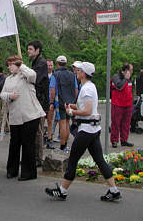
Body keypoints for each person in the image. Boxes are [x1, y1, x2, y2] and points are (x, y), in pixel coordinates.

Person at [45, 62, 122, 202]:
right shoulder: (88, 87)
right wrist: (72, 105)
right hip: (92, 130)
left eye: (79, 70)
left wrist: (71, 111)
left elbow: (86, 111)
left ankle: (62, 191)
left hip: (86, 131)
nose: (76, 71)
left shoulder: (86, 89)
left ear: (83, 73)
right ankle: (114, 190)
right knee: (99, 160)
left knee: (73, 160)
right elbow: (87, 107)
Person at [1, 55, 45, 181]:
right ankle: (11, 170)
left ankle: (29, 172)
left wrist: (21, 66)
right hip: (15, 116)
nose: (10, 67)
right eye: (8, 65)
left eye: (12, 64)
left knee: (28, 144)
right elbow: (2, 94)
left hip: (30, 115)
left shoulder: (26, 75)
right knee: (14, 143)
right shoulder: (8, 79)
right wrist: (10, 96)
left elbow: (33, 75)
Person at [49, 56, 78, 153]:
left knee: (62, 124)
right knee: (67, 122)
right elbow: (76, 89)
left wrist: (52, 102)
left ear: (57, 63)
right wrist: (73, 100)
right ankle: (65, 145)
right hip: (70, 102)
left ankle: (62, 146)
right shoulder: (72, 75)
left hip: (60, 102)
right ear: (66, 63)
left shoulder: (55, 75)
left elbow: (52, 90)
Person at [27, 41, 49, 166]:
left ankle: (38, 158)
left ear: (37, 50)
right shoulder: (36, 63)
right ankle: (33, 157)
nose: (28, 51)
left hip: (39, 102)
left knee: (38, 130)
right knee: (33, 130)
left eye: (30, 49)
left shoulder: (41, 64)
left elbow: (35, 79)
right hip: (35, 100)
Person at [110, 63, 134, 148]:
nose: (132, 71)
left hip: (128, 104)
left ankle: (124, 140)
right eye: (131, 70)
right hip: (118, 104)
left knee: (126, 124)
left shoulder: (129, 78)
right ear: (126, 70)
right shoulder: (116, 77)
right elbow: (119, 86)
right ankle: (114, 140)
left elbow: (130, 90)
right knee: (116, 123)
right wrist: (125, 79)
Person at [45, 59, 55, 149]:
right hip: (42, 101)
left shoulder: (54, 76)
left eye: (51, 65)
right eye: (48, 65)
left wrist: (53, 102)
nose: (49, 67)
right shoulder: (42, 75)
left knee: (49, 121)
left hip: (50, 102)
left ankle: (49, 138)